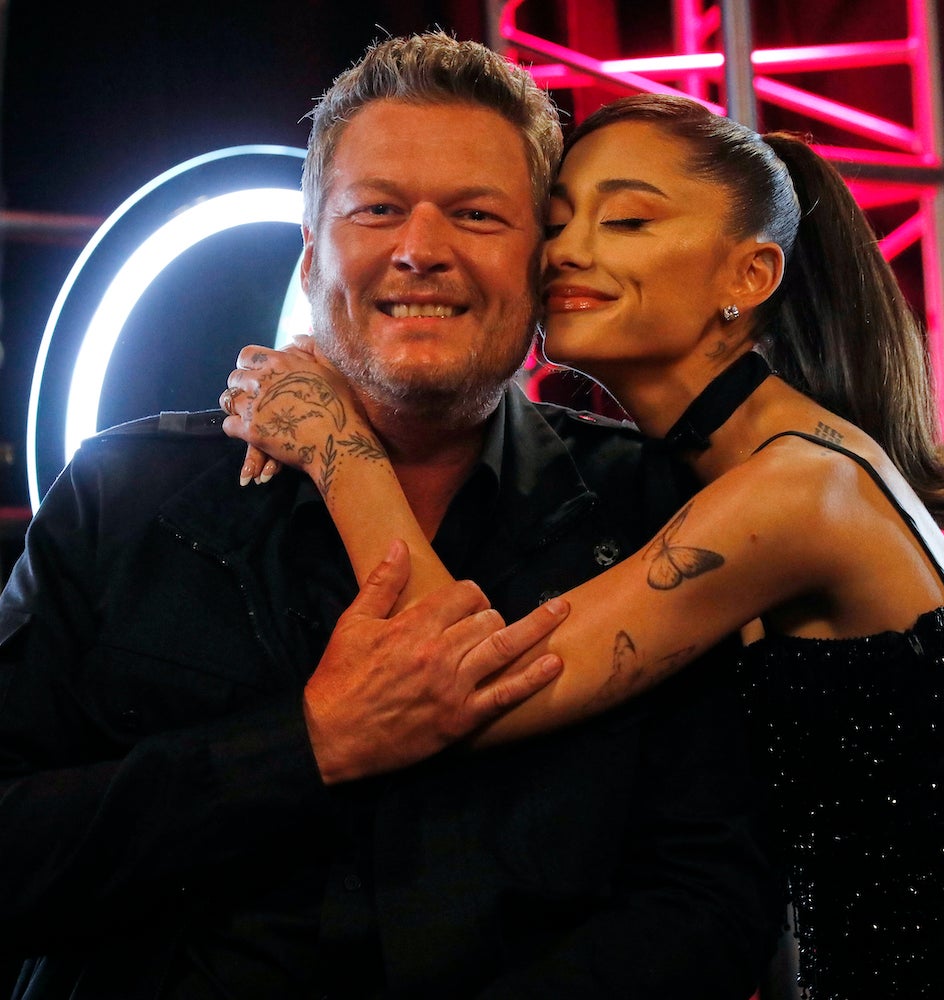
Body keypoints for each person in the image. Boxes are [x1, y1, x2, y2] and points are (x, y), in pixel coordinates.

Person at [0, 36, 781, 999]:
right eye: (376, 209)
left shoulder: (659, 511)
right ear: (310, 254)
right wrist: (306, 744)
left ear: (541, 263)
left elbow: (714, 903)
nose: (421, 250)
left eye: (477, 214)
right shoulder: (120, 494)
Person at [227, 93, 944, 998]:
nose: (567, 252)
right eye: (556, 223)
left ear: (751, 275)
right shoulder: (733, 472)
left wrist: (338, 444)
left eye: (627, 221)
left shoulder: (800, 489)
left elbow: (459, 683)